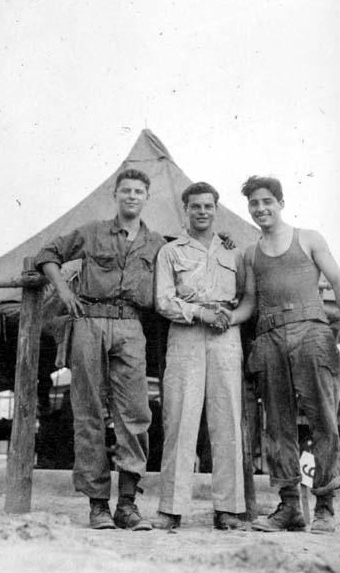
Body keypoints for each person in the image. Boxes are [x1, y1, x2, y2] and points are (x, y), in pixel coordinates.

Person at [34, 169, 165, 530]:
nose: (132, 196)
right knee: (88, 411)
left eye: (139, 191)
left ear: (147, 197)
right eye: (126, 190)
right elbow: (47, 253)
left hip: (131, 326)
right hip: (89, 320)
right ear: (116, 194)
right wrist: (63, 290)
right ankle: (97, 506)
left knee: (136, 413)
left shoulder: (156, 243)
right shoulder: (91, 232)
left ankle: (127, 503)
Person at [153, 182, 255, 531]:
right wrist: (199, 313)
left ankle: (228, 508)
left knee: (226, 419)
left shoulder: (234, 252)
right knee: (180, 419)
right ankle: (171, 507)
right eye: (195, 206)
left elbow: (246, 297)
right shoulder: (170, 253)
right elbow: (163, 301)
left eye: (208, 206)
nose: (201, 212)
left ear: (216, 209)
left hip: (226, 337)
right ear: (185, 210)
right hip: (185, 335)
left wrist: (226, 317)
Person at [241, 175, 340, 533]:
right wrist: (222, 316)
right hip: (269, 337)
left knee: (323, 419)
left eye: (267, 201)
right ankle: (289, 508)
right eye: (254, 203)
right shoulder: (249, 252)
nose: (261, 208)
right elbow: (250, 303)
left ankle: (326, 505)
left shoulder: (308, 238)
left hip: (311, 332)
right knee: (278, 425)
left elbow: (337, 279)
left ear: (280, 203)